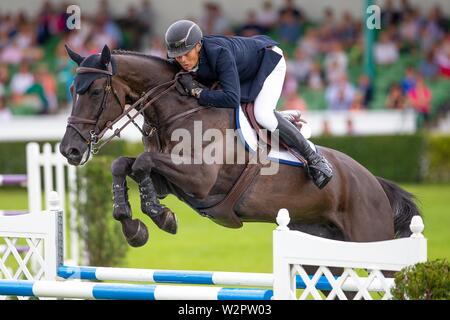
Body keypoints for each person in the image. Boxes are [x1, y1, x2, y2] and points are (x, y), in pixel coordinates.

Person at [164, 20, 333, 189]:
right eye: (178, 56)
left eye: (186, 54)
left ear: (198, 45)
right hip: (244, 72)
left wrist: (197, 92)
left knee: (262, 114)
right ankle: (280, 119)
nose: (183, 60)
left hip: (268, 63)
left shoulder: (219, 53)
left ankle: (315, 159)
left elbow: (231, 99)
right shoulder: (181, 57)